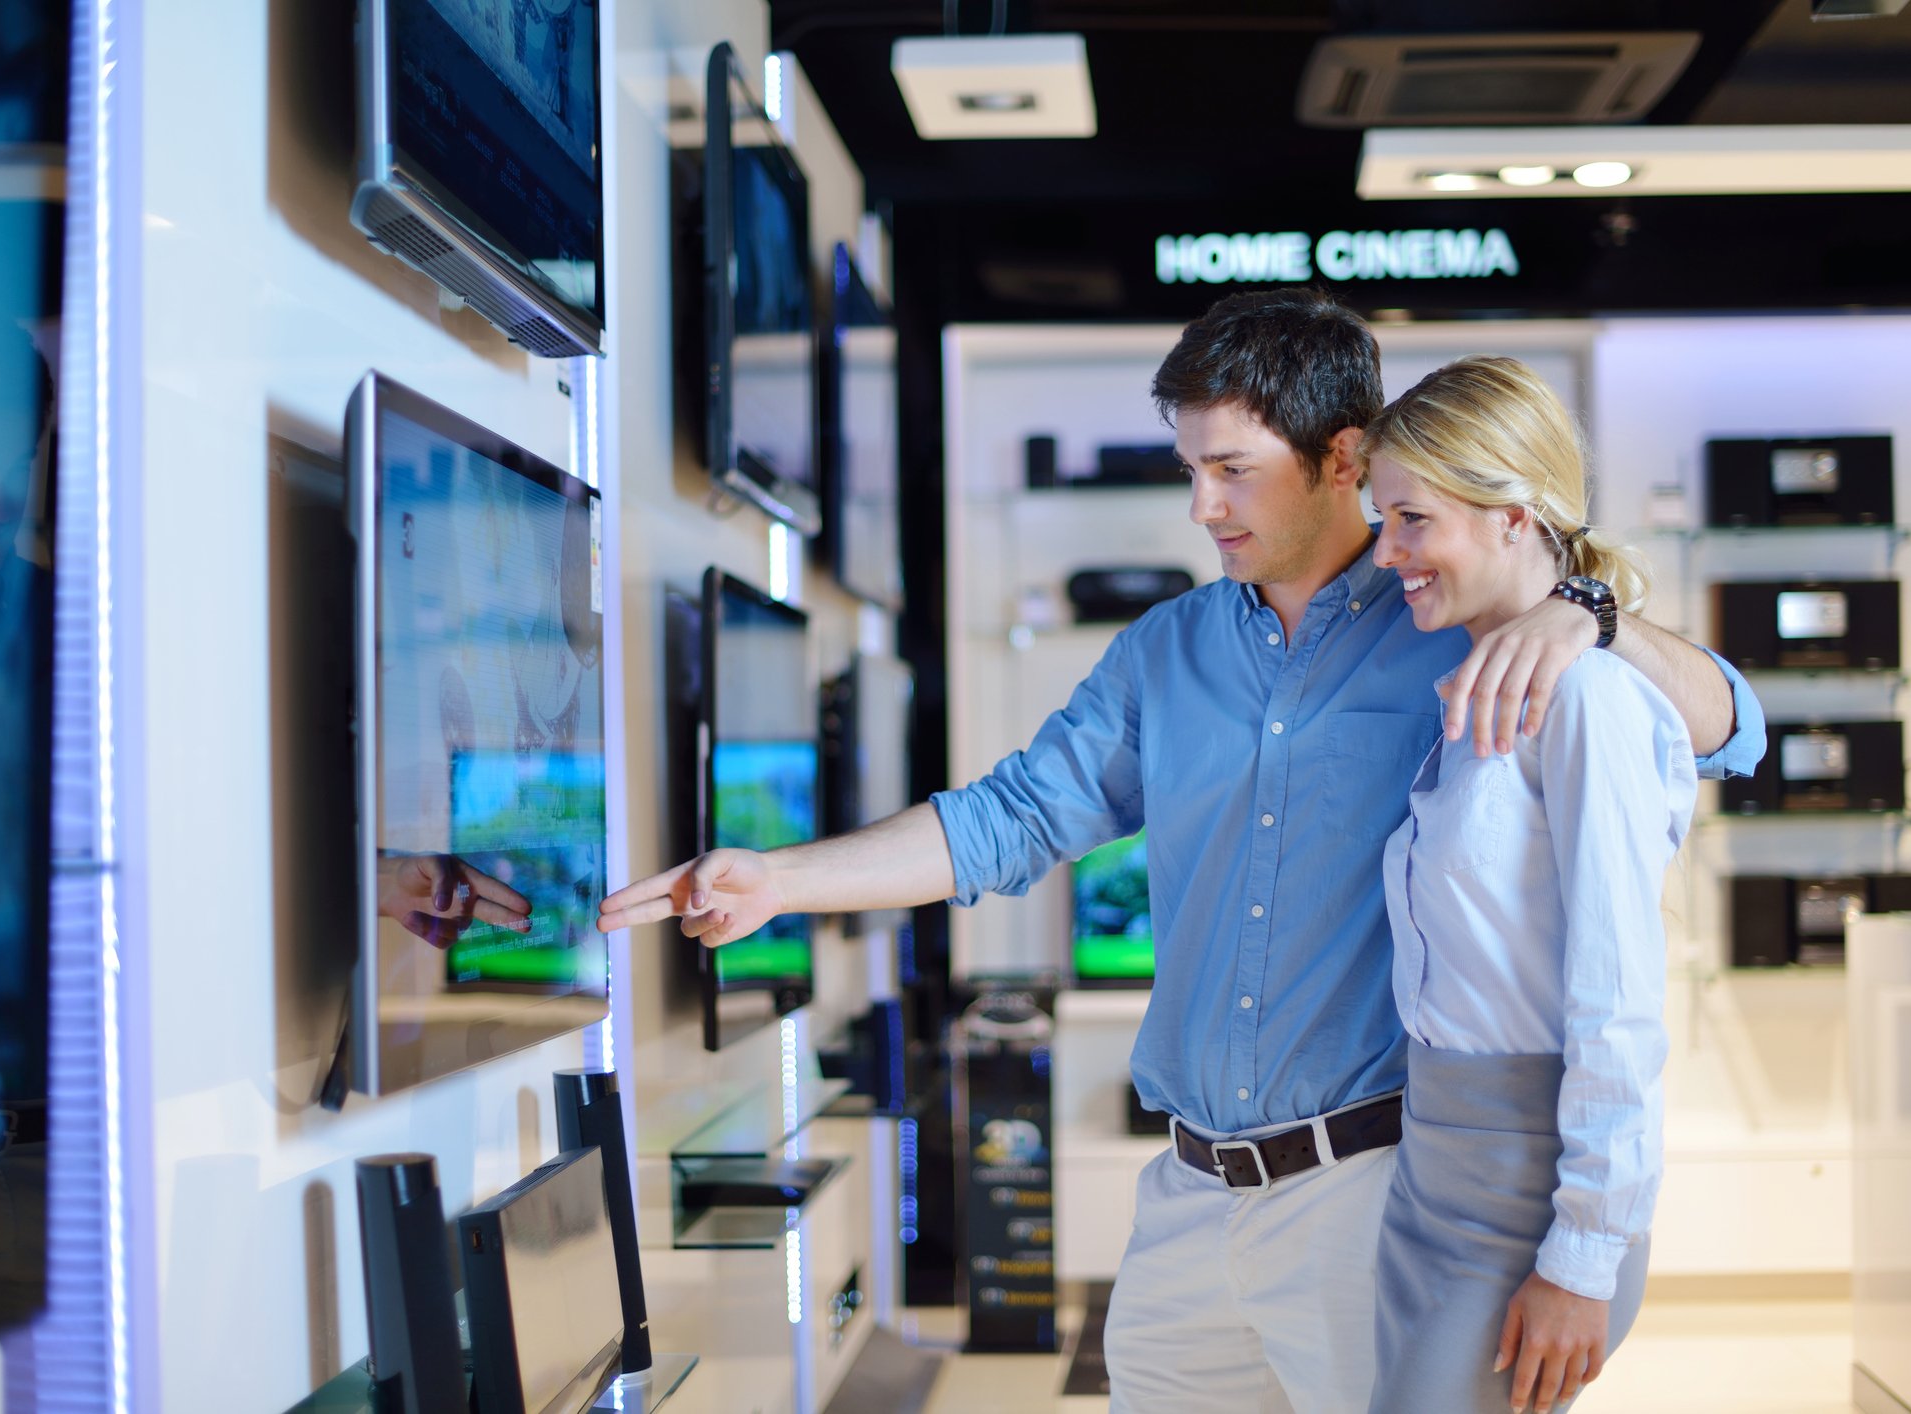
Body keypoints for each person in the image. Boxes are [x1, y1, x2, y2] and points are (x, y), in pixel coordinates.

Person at [600, 288, 1764, 1413]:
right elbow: (1010, 818)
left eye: (1232, 470)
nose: (1203, 507)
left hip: (1369, 1189)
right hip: (1185, 1202)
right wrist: (780, 879)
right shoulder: (1165, 651)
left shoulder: (1448, 619)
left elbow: (1728, 729)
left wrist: (1588, 610)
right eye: (1189, 472)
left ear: (1342, 458)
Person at [1363, 357, 1689, 1414]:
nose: (1386, 552)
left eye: (1410, 518)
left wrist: (1584, 1252)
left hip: (1528, 1189)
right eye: (1381, 519)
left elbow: (1620, 995)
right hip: (1430, 1175)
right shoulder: (1474, 689)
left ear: (1510, 512)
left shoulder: (1587, 694)